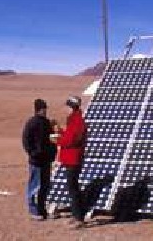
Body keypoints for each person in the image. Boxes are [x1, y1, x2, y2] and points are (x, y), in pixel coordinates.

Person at [21, 98, 56, 220]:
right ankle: (33, 210)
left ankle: (42, 210)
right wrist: (33, 153)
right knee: (34, 185)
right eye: (44, 109)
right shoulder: (32, 123)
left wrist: (53, 153)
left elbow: (52, 139)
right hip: (36, 161)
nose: (45, 111)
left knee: (45, 186)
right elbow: (26, 140)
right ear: (39, 109)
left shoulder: (46, 123)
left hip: (46, 160)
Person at [56, 95, 87, 228]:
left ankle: (79, 218)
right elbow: (70, 136)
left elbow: (72, 140)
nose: (65, 109)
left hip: (73, 160)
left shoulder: (77, 121)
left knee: (73, 189)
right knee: (72, 188)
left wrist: (58, 140)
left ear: (71, 107)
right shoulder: (73, 120)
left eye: (67, 106)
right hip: (70, 159)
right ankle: (76, 216)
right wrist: (61, 132)